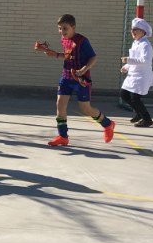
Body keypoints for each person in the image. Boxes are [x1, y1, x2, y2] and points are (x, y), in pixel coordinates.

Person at [34, 13, 115, 146]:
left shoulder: (82, 41)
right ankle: (63, 136)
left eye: (65, 28)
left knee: (85, 109)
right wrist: (54, 54)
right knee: (60, 105)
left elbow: (93, 57)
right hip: (66, 77)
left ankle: (108, 124)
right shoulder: (64, 39)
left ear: (73, 27)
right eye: (60, 28)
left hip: (81, 79)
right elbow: (67, 56)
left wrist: (84, 69)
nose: (62, 31)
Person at [120, 17, 153, 127]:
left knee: (135, 98)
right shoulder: (135, 43)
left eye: (136, 29)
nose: (133, 32)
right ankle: (139, 114)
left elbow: (145, 61)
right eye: (132, 29)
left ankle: (147, 119)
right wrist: (126, 66)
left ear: (143, 31)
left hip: (141, 76)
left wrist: (128, 60)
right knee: (124, 94)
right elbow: (134, 58)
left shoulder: (146, 45)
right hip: (133, 74)